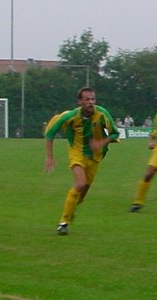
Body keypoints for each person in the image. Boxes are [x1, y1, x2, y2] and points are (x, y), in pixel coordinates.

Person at [44, 87, 120, 235]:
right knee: (80, 183)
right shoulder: (71, 116)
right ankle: (63, 222)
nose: (91, 102)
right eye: (87, 99)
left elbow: (115, 133)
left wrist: (101, 143)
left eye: (93, 99)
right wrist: (49, 156)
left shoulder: (102, 114)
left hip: (95, 156)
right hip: (76, 152)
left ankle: (70, 210)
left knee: (83, 193)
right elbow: (50, 133)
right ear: (80, 102)